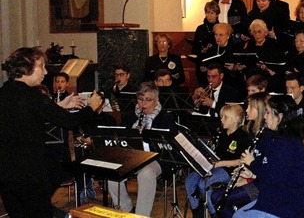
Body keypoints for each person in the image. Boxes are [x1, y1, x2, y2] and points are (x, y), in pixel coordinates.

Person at [0, 47, 102, 217]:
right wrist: (91, 106)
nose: (46, 72)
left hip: (6, 173)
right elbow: (70, 121)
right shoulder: (32, 96)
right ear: (27, 67)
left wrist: (60, 106)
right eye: (42, 66)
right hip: (30, 173)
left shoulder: (4, 93)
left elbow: (26, 115)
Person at [233, 95, 304, 218]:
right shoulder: (276, 137)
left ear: (279, 117)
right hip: (277, 194)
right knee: (238, 214)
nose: (264, 116)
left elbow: (273, 177)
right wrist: (253, 175)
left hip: (289, 201)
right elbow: (271, 170)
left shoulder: (287, 142)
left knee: (239, 216)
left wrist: (252, 163)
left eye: (268, 113)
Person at [107, 82, 176, 216]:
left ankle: (141, 215)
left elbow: (167, 145)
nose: (143, 104)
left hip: (156, 158)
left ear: (157, 100)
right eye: (140, 99)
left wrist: (145, 135)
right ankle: (126, 209)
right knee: (111, 171)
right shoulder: (130, 116)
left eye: (148, 100)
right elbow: (122, 138)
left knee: (146, 174)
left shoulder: (166, 118)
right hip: (132, 156)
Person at [186, 104, 250, 217]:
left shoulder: (243, 136)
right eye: (221, 117)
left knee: (203, 183)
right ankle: (197, 211)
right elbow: (218, 154)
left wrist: (220, 163)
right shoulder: (222, 134)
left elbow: (242, 160)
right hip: (216, 166)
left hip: (229, 170)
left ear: (235, 119)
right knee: (190, 179)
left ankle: (214, 213)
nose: (221, 119)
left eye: (225, 117)